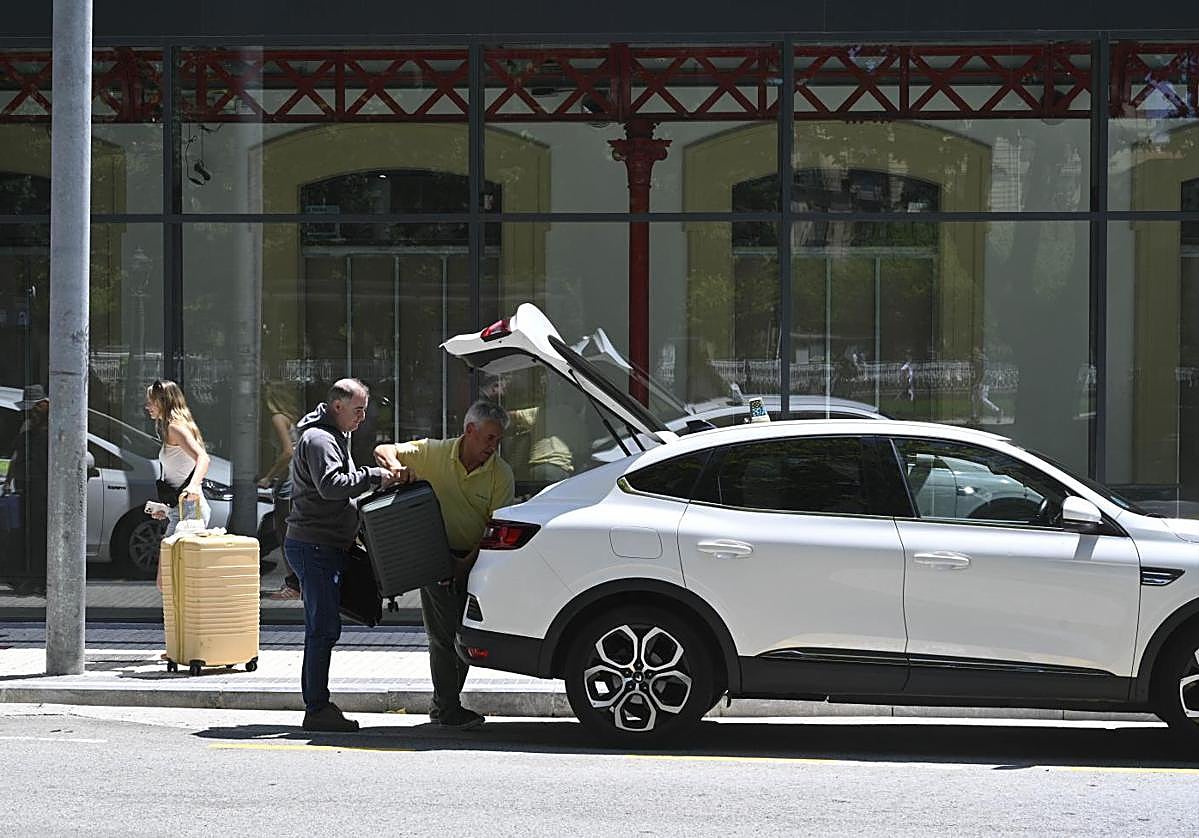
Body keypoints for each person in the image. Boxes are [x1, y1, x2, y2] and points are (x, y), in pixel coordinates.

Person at [374, 400, 515, 731]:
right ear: (469, 431)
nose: (493, 447)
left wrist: (463, 566)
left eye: (498, 441)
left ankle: (446, 703)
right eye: (489, 439)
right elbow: (384, 449)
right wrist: (397, 468)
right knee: (442, 636)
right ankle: (446, 706)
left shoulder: (500, 474)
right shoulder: (434, 452)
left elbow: (494, 530)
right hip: (435, 556)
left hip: (480, 559)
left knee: (464, 635)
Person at [286, 378, 403, 733]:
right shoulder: (321, 439)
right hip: (316, 546)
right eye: (358, 409)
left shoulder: (333, 435)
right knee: (321, 629)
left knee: (323, 627)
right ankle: (317, 708)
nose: (363, 417)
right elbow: (332, 486)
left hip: (324, 545)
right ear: (337, 406)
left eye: (365, 409)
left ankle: (318, 705)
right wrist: (376, 476)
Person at [145, 379, 211, 538]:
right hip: (180, 508)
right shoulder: (171, 428)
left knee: (171, 561)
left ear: (163, 402)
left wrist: (193, 486)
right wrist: (167, 509)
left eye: (151, 402)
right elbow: (178, 474)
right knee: (168, 561)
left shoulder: (175, 427)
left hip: (190, 510)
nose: (147, 407)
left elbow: (203, 458)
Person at [5, 384, 49, 597]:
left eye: (34, 408)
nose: (30, 413)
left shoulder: (54, 426)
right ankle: (31, 578)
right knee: (28, 535)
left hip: (44, 489)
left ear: (44, 405)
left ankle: (42, 580)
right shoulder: (28, 428)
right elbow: (16, 456)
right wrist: (9, 481)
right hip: (27, 487)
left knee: (42, 534)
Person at [258, 381, 301, 599]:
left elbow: (287, 452)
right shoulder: (290, 418)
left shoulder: (277, 418)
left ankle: (293, 586)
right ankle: (296, 583)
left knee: (285, 536)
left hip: (287, 484)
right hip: (296, 482)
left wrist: (268, 476)